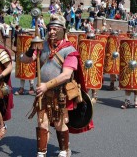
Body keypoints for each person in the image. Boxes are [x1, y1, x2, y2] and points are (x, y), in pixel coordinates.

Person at [20, 13, 93, 157]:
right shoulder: (42, 46)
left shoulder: (69, 50)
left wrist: (47, 85)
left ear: (62, 30)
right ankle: (41, 152)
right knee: (42, 122)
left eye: (55, 29)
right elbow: (24, 60)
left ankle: (65, 150)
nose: (52, 32)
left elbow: (66, 75)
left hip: (60, 93)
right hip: (43, 93)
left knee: (60, 123)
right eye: (50, 29)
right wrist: (31, 48)